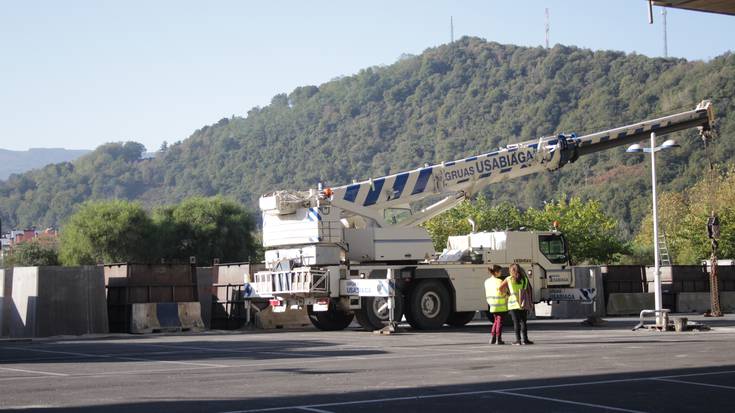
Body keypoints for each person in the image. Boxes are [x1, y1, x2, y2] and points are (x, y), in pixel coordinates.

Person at [501, 263, 534, 345]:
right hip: (522, 303)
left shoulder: (509, 279)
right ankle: (525, 340)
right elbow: (528, 291)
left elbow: (500, 288)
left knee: (516, 322)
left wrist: (506, 295)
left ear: (511, 270)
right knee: (523, 322)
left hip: (513, 304)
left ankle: (518, 340)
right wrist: (530, 302)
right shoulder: (525, 279)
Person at [484, 264, 507, 345]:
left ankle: (492, 338)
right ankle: (498, 339)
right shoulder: (499, 281)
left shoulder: (487, 281)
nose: (501, 273)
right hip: (500, 303)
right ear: (496, 272)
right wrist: (507, 296)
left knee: (495, 321)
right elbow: (503, 292)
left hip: (492, 304)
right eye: (500, 271)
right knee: (499, 321)